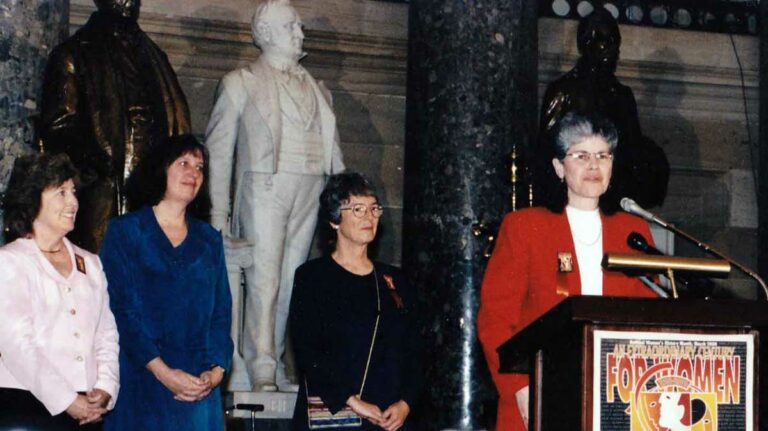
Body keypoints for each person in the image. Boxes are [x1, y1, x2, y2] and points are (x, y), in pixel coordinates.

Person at [477, 112, 659, 431]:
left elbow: (650, 315)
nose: (593, 165)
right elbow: (495, 320)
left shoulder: (633, 230)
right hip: (540, 391)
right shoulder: (526, 227)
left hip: (619, 395)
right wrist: (519, 387)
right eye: (581, 155)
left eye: (603, 155)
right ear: (559, 167)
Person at [205, 0, 345, 392]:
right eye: (291, 26)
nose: (300, 33)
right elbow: (218, 151)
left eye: (299, 26)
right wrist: (218, 212)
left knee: (291, 278)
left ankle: (275, 360)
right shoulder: (241, 81)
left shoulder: (319, 90)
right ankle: (260, 363)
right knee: (263, 278)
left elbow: (333, 151)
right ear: (265, 33)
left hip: (310, 187)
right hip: (264, 187)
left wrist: (345, 195)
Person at [99, 135, 232, 431]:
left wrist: (217, 372)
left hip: (199, 389)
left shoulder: (210, 240)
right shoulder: (125, 232)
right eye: (183, 163)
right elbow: (121, 311)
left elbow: (221, 313)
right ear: (161, 169)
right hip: (142, 379)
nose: (193, 173)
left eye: (199, 167)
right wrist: (163, 372)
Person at [40, 0, 192, 252]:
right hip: (106, 190)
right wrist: (96, 162)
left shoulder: (155, 56)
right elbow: (58, 127)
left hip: (153, 190)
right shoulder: (75, 54)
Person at [289, 173, 421, 431]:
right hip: (336, 412)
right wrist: (353, 401)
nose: (369, 217)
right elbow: (308, 352)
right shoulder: (312, 277)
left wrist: (405, 403)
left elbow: (415, 351)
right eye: (358, 209)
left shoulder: (394, 279)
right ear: (334, 220)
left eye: (374, 209)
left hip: (388, 419)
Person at [0, 153, 119, 429]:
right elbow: (16, 345)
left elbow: (106, 334)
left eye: (74, 192)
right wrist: (67, 401)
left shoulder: (90, 263)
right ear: (32, 201)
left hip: (87, 410)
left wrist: (105, 388)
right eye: (61, 193)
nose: (73, 202)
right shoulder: (10, 261)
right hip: (26, 408)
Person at [535, 6, 668, 210]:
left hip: (613, 199)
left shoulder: (622, 95)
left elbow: (632, 147)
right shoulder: (564, 91)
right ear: (587, 45)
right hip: (571, 198)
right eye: (605, 43)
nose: (612, 51)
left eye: (615, 44)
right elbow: (546, 151)